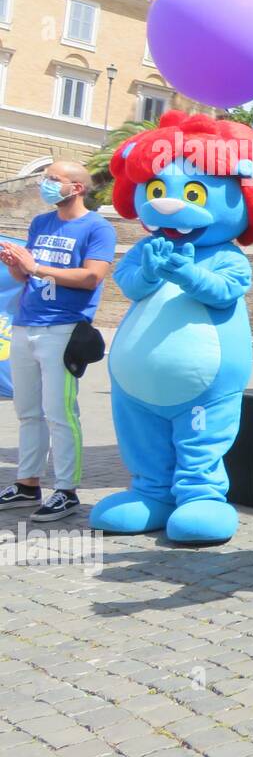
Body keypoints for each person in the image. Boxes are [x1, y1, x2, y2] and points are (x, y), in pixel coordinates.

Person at [0, 162, 115, 520]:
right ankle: (27, 483)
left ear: (77, 187)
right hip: (25, 322)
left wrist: (35, 267)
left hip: (64, 328)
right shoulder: (40, 223)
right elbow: (27, 277)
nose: (46, 184)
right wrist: (17, 265)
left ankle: (66, 489)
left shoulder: (98, 227)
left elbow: (92, 276)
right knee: (28, 411)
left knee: (60, 412)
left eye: (54, 179)